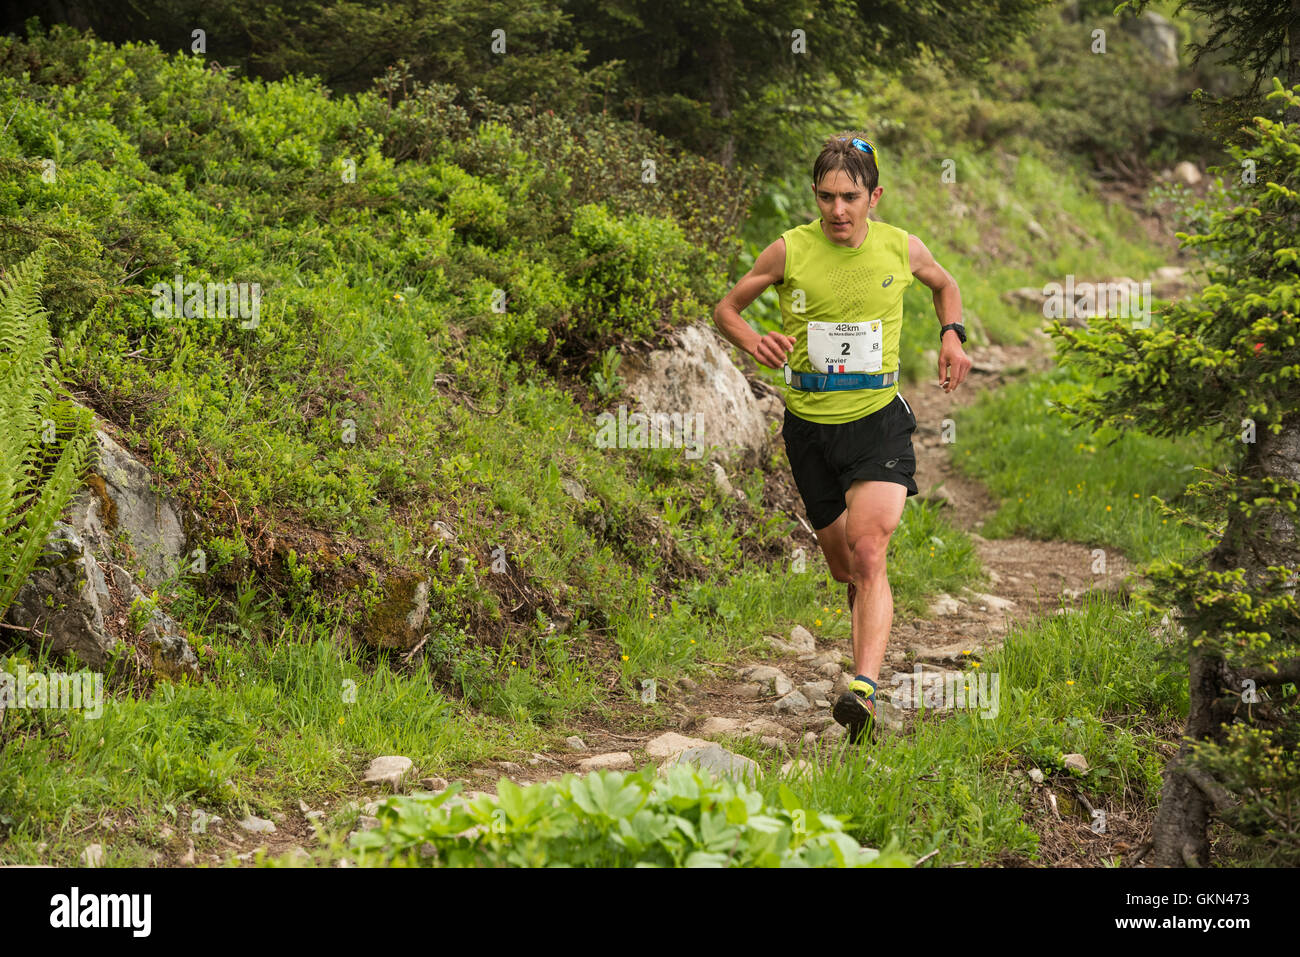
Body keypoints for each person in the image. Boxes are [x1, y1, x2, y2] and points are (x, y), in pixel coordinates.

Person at [712, 132, 971, 743]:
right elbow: (726, 310)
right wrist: (753, 340)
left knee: (870, 551)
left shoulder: (901, 247)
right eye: (826, 197)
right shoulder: (789, 250)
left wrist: (952, 334)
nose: (838, 210)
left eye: (850, 197)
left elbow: (945, 285)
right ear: (815, 195)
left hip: (878, 420)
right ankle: (864, 664)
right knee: (845, 567)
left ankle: (863, 689)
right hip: (809, 428)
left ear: (874, 197)